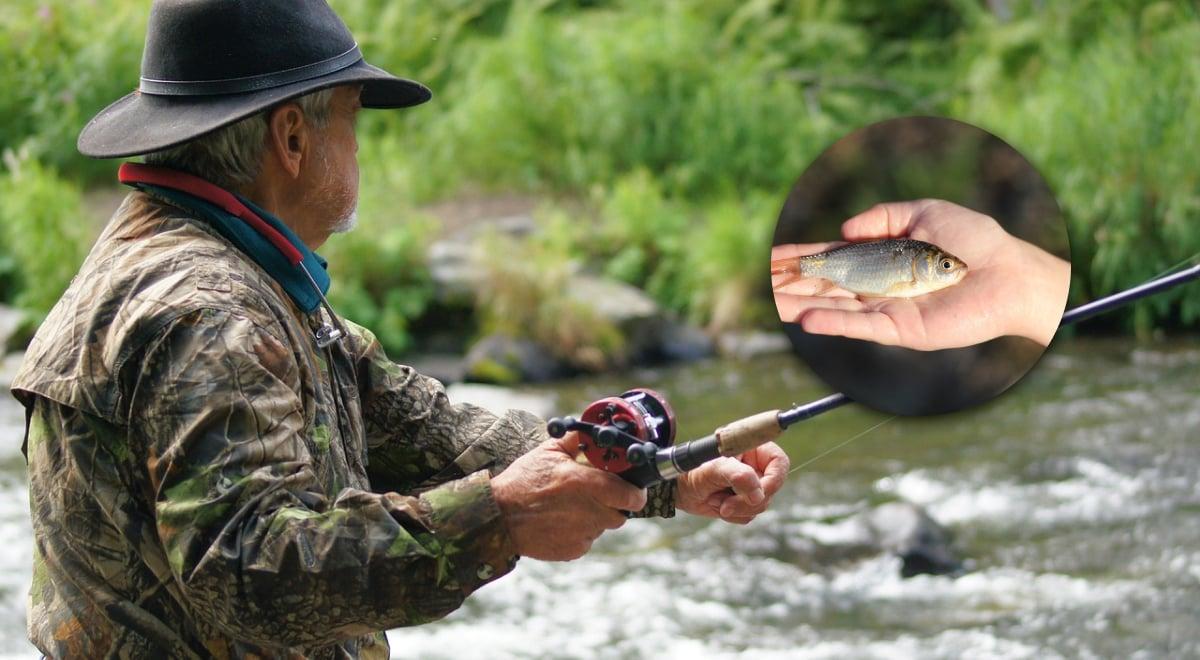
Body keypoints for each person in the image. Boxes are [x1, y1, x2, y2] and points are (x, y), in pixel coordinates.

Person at [10, 2, 789, 657]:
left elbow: (421, 425)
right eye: (353, 122)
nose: (357, 150)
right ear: (291, 138)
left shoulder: (203, 266)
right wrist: (502, 516)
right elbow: (249, 573)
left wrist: (661, 476)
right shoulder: (209, 311)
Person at [773, 199, 1071, 351]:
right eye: (945, 266)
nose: (952, 271)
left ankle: (791, 267)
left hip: (846, 270)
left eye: (946, 266)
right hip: (842, 267)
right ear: (924, 264)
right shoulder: (913, 271)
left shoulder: (919, 266)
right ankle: (792, 267)